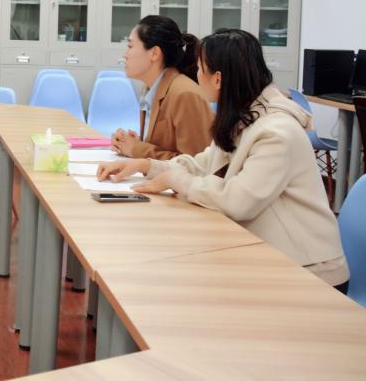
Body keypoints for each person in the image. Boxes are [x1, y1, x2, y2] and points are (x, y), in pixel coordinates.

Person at [98, 29, 349, 290]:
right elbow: (203, 163)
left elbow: (238, 201)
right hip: (272, 255)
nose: (196, 75)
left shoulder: (277, 133)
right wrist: (146, 165)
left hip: (311, 271)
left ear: (217, 78)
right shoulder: (243, 116)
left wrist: (175, 179)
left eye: (199, 69)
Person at [111, 15, 214, 159]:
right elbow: (165, 147)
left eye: (130, 46)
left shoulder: (184, 94)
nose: (125, 55)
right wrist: (133, 144)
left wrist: (137, 149)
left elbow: (195, 164)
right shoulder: (149, 88)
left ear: (154, 53)